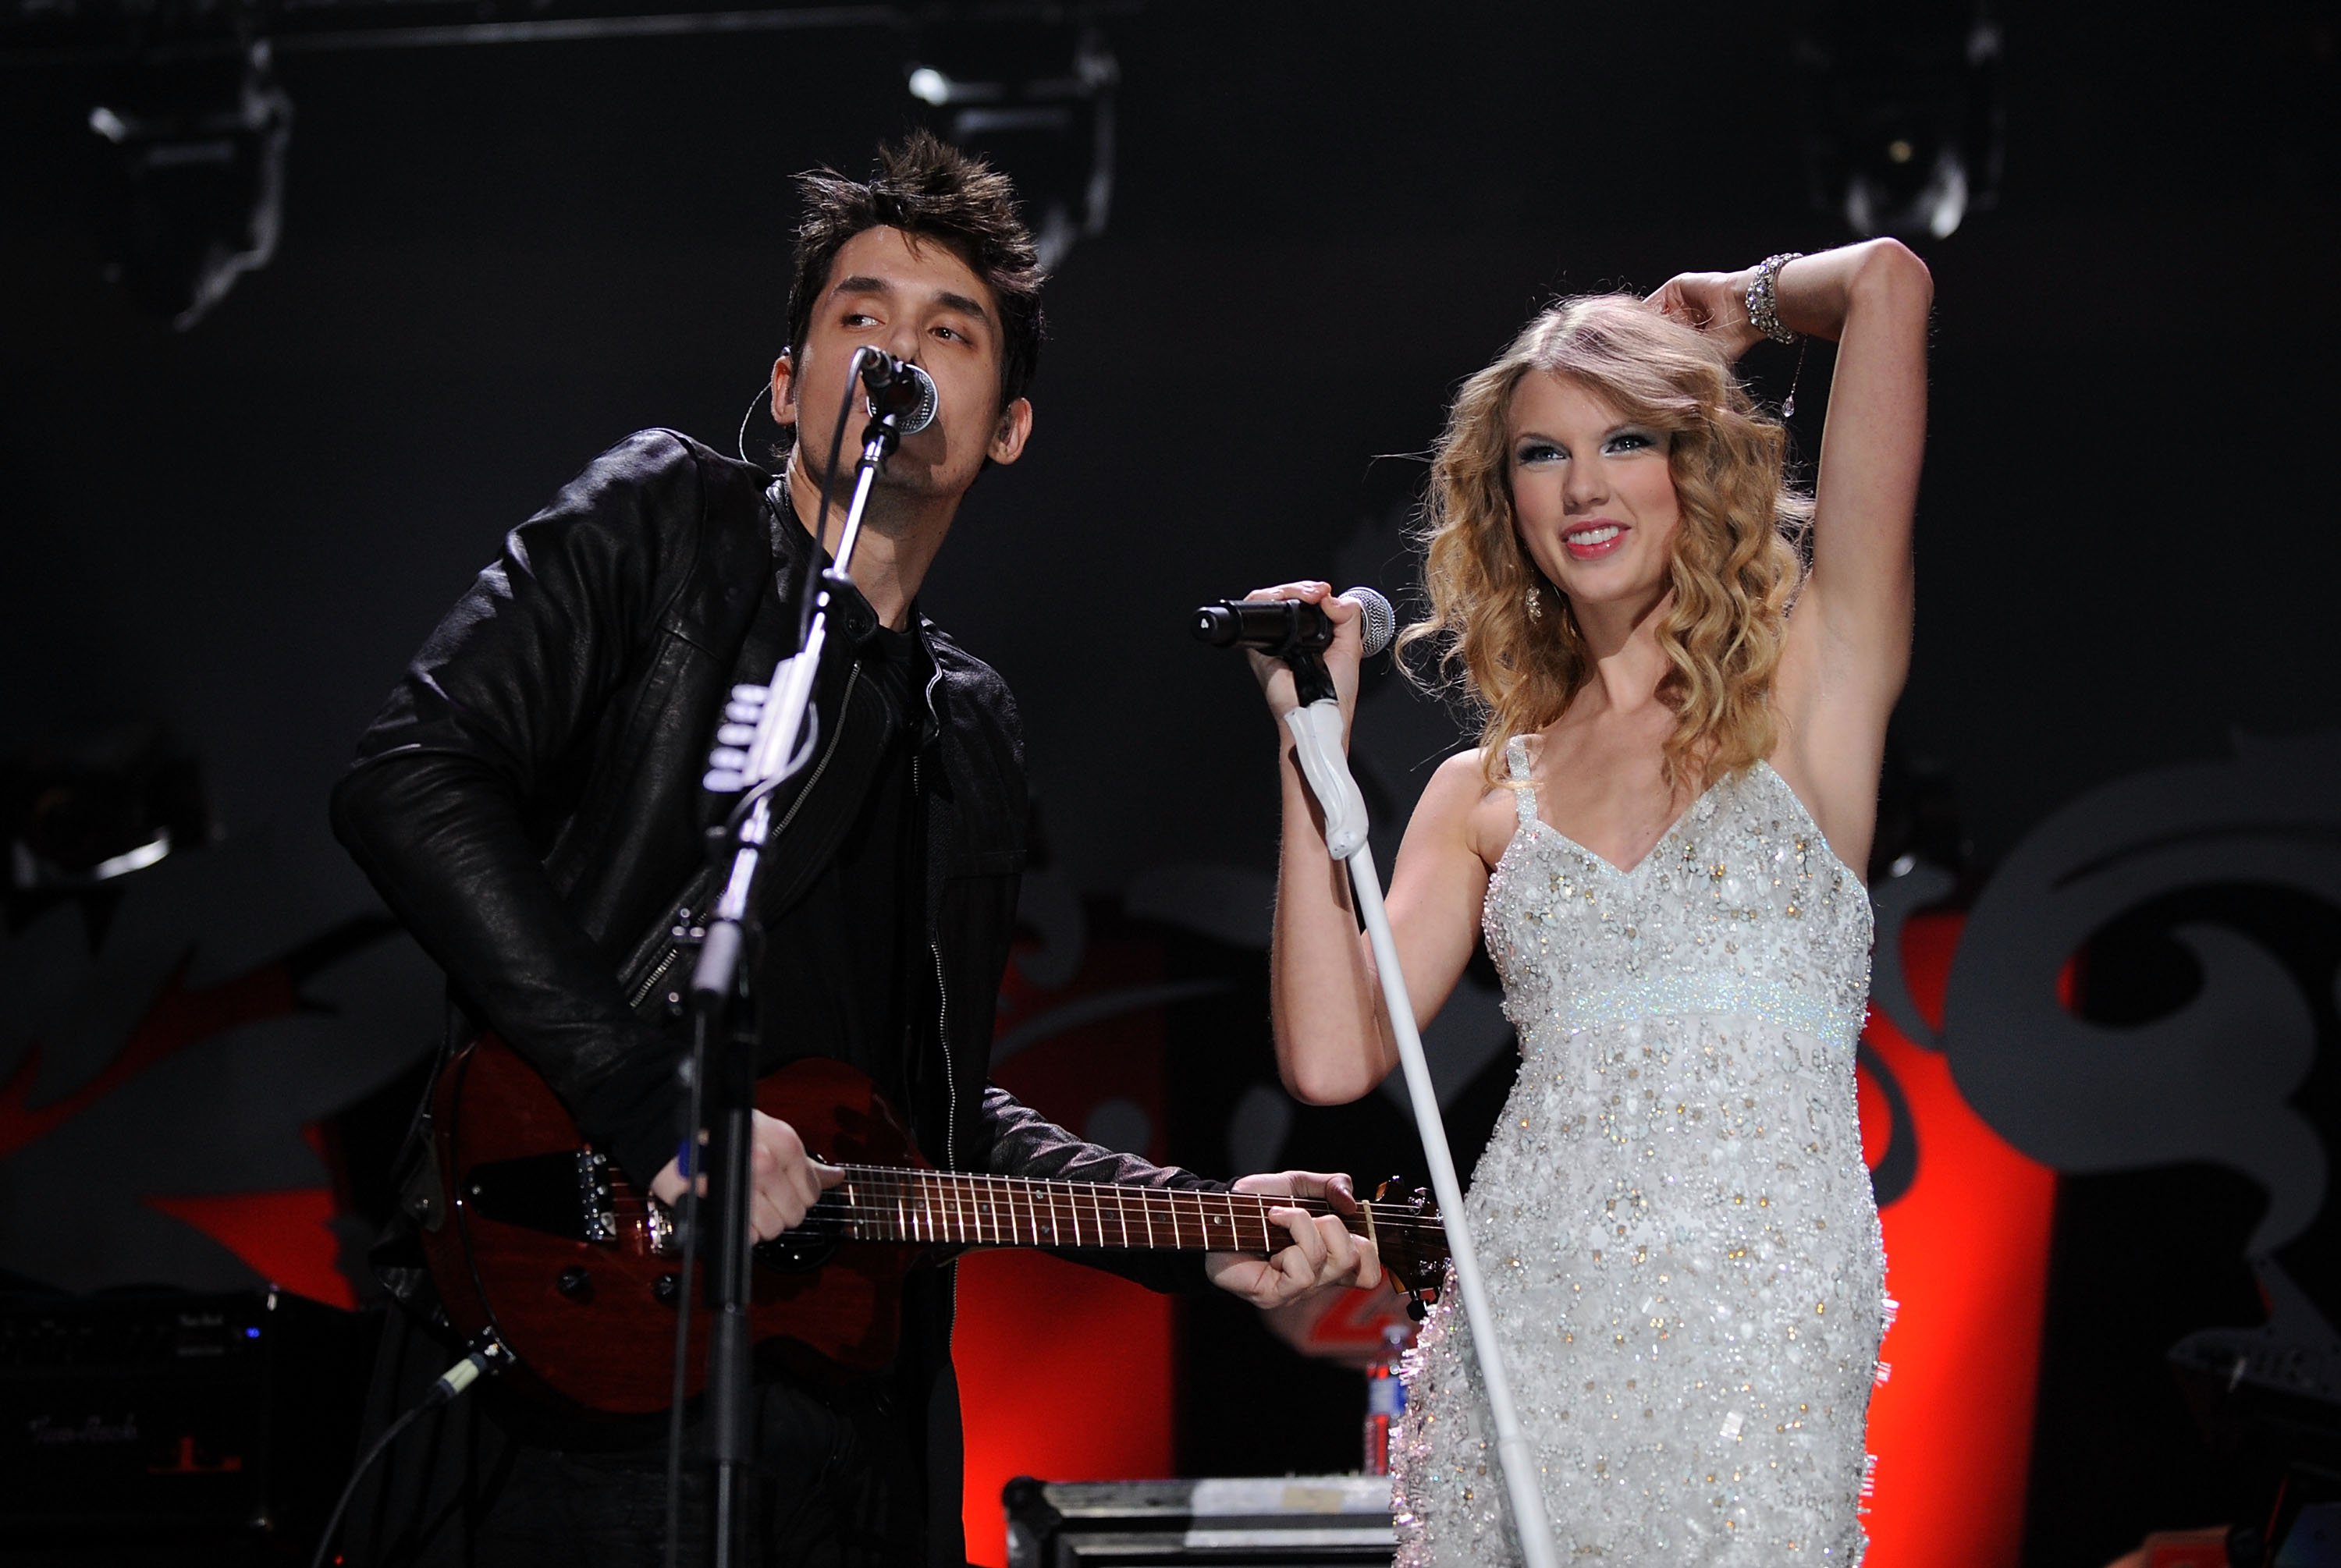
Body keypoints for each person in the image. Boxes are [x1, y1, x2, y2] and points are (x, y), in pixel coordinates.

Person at [331, 131, 1380, 1568]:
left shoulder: (970, 726)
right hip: (584, 1349)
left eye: (950, 332)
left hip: (850, 1419)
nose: (900, 350)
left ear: (1005, 424)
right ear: (787, 386)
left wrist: (1193, 1218)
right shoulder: (663, 524)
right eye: (858, 317)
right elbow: (410, 776)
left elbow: (927, 1115)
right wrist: (658, 1112)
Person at [1243, 239, 1931, 1564]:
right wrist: (1305, 738)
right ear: (1505, 503)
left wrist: (1727, 312)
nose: (1584, 484)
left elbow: (1890, 283)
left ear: (1693, 465)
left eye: (1626, 440)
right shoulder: (1482, 789)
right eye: (1542, 454)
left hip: (1765, 1319)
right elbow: (1333, 1055)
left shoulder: (1814, 687)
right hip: (1530, 1314)